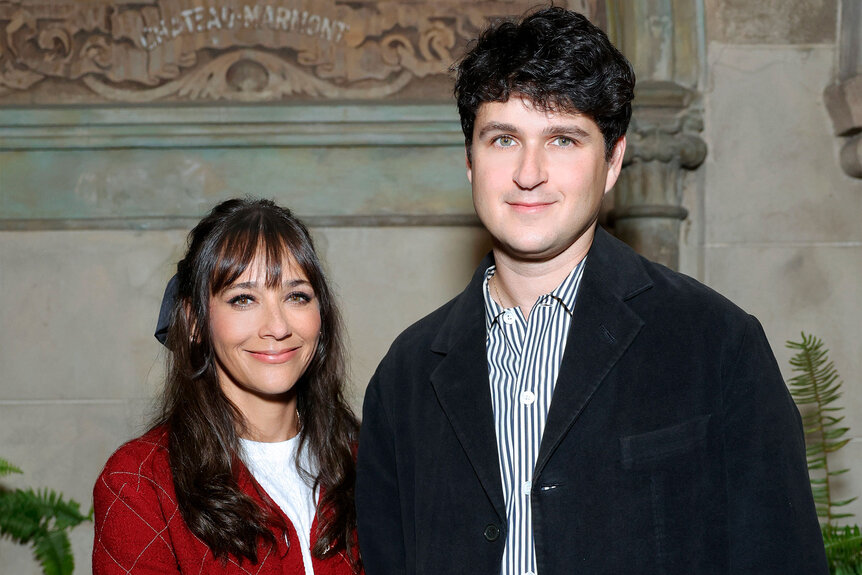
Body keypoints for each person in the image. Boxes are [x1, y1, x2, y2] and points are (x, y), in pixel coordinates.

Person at [355, 7, 827, 575]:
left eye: (563, 139)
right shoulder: (405, 376)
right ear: (469, 162)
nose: (529, 172)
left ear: (612, 162)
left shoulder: (717, 344)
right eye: (503, 139)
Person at [93, 198, 362, 575]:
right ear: (195, 321)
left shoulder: (369, 460)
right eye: (243, 299)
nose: (278, 326)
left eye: (297, 295)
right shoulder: (139, 485)